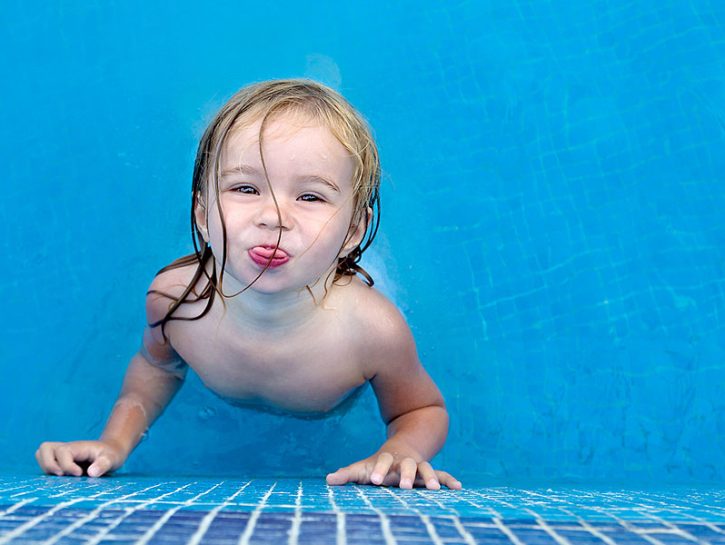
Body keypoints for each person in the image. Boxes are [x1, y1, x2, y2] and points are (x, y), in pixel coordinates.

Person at [35, 79, 462, 490]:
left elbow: (422, 408)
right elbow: (157, 366)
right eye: (245, 188)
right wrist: (114, 442)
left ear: (352, 230)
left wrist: (399, 450)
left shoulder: (372, 331)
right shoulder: (176, 300)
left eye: (310, 196)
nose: (274, 217)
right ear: (202, 214)